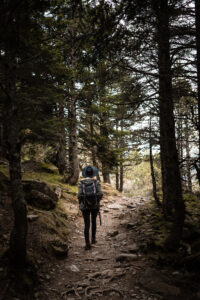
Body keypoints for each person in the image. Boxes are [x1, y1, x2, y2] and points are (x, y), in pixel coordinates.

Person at [78, 165, 103, 250]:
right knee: (94, 222)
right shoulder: (96, 182)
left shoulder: (81, 182)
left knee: (86, 224)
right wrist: (96, 201)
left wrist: (81, 204)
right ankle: (93, 239)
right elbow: (100, 194)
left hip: (84, 206)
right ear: (93, 173)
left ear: (85, 174)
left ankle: (87, 243)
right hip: (95, 206)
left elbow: (79, 195)